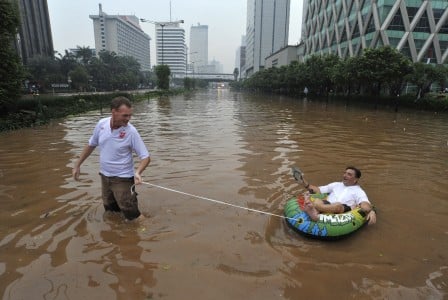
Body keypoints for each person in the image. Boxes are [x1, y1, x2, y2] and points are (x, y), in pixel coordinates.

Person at [72, 96, 150, 221]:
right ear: (114, 112)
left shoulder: (131, 131)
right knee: (111, 210)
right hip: (104, 177)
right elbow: (91, 144)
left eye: (130, 115)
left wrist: (138, 172)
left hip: (123, 179)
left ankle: (147, 233)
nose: (128, 119)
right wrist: (77, 165)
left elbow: (145, 157)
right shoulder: (101, 124)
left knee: (132, 215)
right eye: (125, 115)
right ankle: (117, 234)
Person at [301, 166, 376, 225]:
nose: (345, 175)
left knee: (337, 205)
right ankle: (315, 212)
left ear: (355, 179)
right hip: (328, 204)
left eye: (349, 174)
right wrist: (305, 183)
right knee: (317, 201)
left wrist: (371, 211)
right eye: (345, 173)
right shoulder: (336, 184)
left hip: (343, 209)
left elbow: (365, 204)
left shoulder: (359, 191)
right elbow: (318, 190)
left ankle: (314, 210)